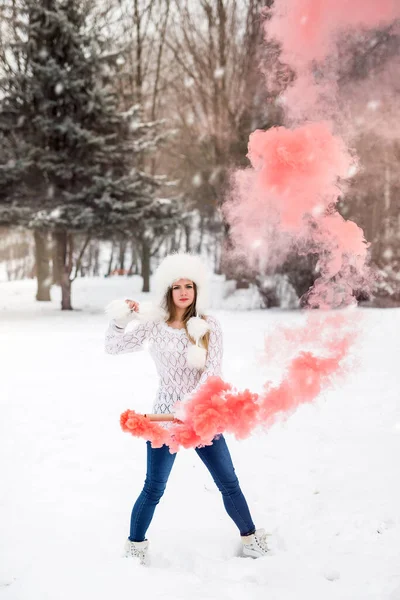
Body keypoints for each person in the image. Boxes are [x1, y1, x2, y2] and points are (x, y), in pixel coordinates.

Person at [105, 253, 268, 565]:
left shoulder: (208, 325)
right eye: (177, 286)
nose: (183, 292)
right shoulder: (154, 326)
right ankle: (135, 548)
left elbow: (212, 373)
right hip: (165, 417)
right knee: (154, 486)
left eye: (189, 286)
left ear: (196, 290)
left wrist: (192, 406)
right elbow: (113, 347)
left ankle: (251, 540)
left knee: (228, 482)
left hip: (202, 415)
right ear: (168, 290)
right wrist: (120, 318)